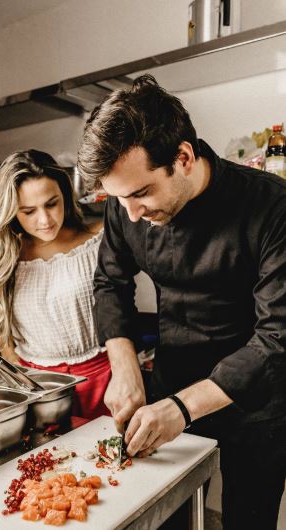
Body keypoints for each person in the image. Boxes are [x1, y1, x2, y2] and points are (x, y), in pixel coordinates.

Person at [77, 74, 286, 529]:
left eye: (140, 194)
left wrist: (186, 408)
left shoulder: (272, 207)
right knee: (165, 518)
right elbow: (110, 282)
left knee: (249, 519)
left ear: (184, 158)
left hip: (256, 398)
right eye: (118, 199)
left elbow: (276, 338)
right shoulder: (124, 200)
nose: (130, 213)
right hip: (172, 380)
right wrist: (127, 370)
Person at [0, 149, 110, 420]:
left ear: (65, 195)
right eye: (28, 211)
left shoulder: (99, 238)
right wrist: (10, 358)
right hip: (40, 386)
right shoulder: (1, 255)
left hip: (106, 377)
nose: (45, 220)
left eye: (52, 203)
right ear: (12, 211)